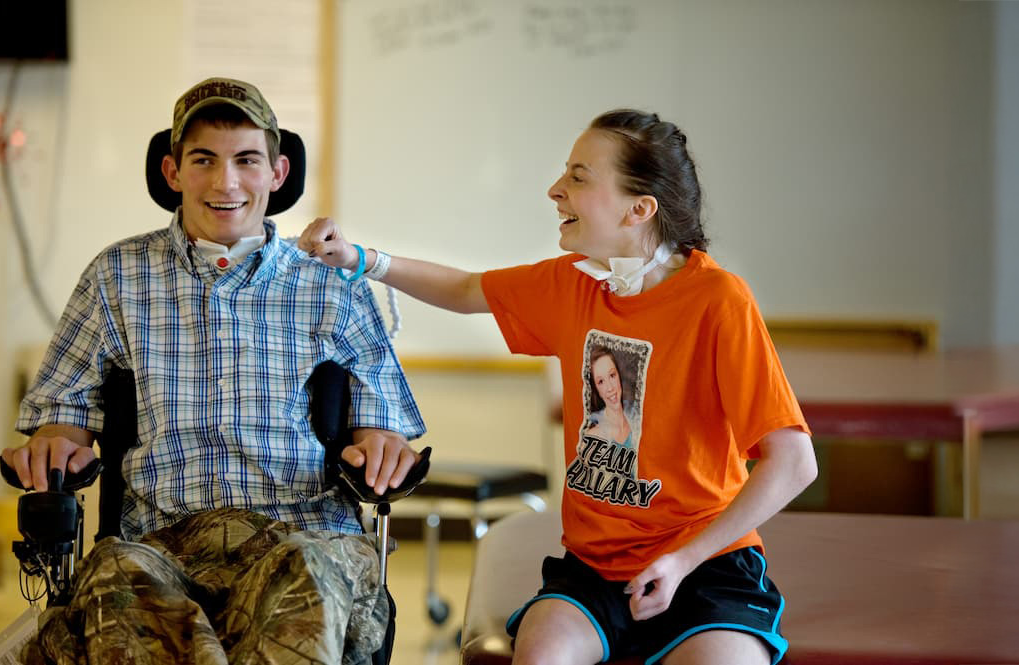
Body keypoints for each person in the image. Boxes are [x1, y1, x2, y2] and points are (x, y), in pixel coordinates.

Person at [299, 109, 817, 665]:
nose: (555, 190)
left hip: (706, 566)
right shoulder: (573, 284)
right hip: (594, 571)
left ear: (639, 209)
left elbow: (793, 462)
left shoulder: (718, 301)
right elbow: (469, 288)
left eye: (578, 177)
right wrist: (362, 261)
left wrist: (683, 561)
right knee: (541, 652)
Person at [0, 77, 426, 664]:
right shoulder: (116, 275)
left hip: (298, 531)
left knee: (304, 570)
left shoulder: (328, 281)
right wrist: (55, 443)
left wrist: (381, 445)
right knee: (115, 576)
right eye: (204, 160)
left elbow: (379, 422)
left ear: (277, 174)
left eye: (247, 160)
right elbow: (62, 415)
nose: (226, 183)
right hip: (158, 541)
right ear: (173, 171)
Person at [583, 345, 638, 448]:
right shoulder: (593, 440)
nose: (610, 388)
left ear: (619, 375)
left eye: (612, 375)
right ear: (596, 390)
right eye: (601, 382)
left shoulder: (638, 422)